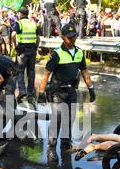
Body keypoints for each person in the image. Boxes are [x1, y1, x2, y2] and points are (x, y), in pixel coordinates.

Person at [37, 23, 95, 151]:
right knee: (56, 120)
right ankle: (51, 149)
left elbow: (84, 71)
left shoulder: (79, 52)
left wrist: (91, 88)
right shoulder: (57, 54)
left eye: (74, 36)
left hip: (71, 91)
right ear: (62, 37)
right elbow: (46, 74)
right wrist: (41, 93)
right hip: (57, 92)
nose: (72, 39)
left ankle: (65, 145)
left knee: (70, 119)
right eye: (69, 37)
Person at [12, 6, 40, 105]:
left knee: (20, 71)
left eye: (19, 13)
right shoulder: (33, 23)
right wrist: (36, 48)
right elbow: (38, 38)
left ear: (21, 14)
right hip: (32, 49)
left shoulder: (19, 23)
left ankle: (22, 91)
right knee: (31, 71)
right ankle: (30, 93)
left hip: (22, 49)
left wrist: (15, 46)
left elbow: (13, 35)